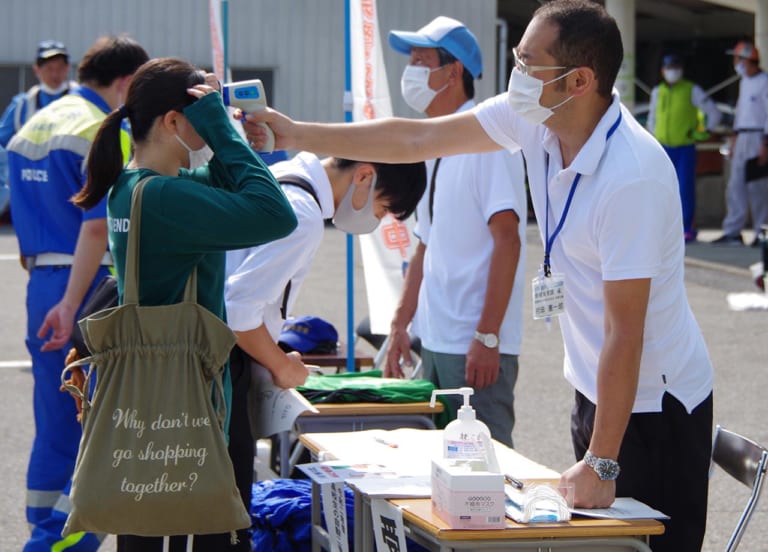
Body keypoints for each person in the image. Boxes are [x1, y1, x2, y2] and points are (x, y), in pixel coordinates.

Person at [243, 1, 714, 550]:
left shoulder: (631, 176)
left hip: (655, 403)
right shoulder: (536, 117)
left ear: (578, 81)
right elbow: (417, 140)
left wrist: (602, 461)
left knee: (646, 543)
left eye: (528, 62)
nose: (515, 73)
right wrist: (297, 133)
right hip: (596, 388)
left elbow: (625, 332)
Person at [72, 57, 297, 551]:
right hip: (188, 391)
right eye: (199, 110)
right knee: (206, 521)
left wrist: (229, 140)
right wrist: (221, 129)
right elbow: (275, 215)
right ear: (174, 121)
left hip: (147, 393)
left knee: (146, 519)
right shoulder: (165, 199)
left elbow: (227, 189)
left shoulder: (133, 189)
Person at [7, 35, 149, 552]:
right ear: (126, 81)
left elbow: (21, 218)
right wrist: (72, 304)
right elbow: (95, 227)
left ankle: (42, 530)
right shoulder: (103, 130)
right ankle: (63, 544)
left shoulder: (33, 121)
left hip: (43, 281)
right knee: (98, 425)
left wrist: (54, 299)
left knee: (54, 421)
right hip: (84, 289)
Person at [224, 153, 425, 477]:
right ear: (364, 177)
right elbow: (238, 311)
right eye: (383, 208)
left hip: (204, 350)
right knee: (227, 505)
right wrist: (281, 366)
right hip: (226, 363)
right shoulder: (302, 215)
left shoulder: (282, 175)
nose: (377, 218)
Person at [382, 16, 526, 448]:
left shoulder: (488, 141)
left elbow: (508, 239)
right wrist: (400, 323)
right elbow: (425, 244)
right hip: (437, 337)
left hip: (473, 341)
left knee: (486, 465)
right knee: (445, 468)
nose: (412, 72)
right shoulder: (435, 143)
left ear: (454, 71)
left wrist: (488, 334)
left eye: (422, 61)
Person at [647, 53, 721, 243]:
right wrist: (650, 141)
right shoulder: (657, 91)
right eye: (669, 67)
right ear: (662, 71)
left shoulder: (691, 90)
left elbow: (714, 113)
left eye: (676, 67)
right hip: (662, 148)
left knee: (685, 189)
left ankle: (687, 228)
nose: (672, 71)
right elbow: (652, 119)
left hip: (684, 148)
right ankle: (663, 229)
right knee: (660, 189)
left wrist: (704, 132)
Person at [712, 40, 768, 247]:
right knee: (735, 186)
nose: (736, 63)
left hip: (758, 137)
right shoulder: (744, 82)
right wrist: (734, 141)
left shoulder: (765, 81)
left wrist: (766, 144)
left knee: (758, 188)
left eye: (738, 58)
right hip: (742, 137)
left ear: (747, 60)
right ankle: (733, 231)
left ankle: (761, 232)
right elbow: (740, 114)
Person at [0, 40, 77, 148]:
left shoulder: (80, 99)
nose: (55, 74)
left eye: (60, 68)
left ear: (68, 68)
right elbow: (2, 142)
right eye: (49, 68)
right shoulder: (23, 105)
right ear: (36, 70)